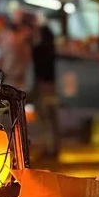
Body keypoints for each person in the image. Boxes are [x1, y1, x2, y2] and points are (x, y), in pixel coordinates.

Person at [32, 15, 59, 157]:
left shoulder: (38, 50)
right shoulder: (52, 50)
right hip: (52, 86)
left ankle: (47, 148)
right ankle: (54, 148)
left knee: (44, 118)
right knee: (52, 118)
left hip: (42, 86)